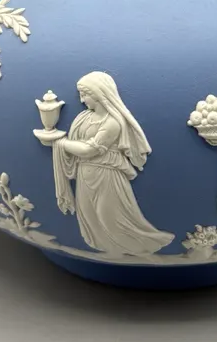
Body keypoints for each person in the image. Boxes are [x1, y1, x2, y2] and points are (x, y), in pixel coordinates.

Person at [41, 71, 173, 257]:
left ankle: (125, 248)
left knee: (110, 216)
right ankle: (102, 249)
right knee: (89, 214)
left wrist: (60, 143)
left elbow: (89, 150)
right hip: (84, 174)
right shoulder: (83, 118)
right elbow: (79, 147)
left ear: (98, 93)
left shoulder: (113, 123)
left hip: (107, 175)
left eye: (85, 94)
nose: (81, 99)